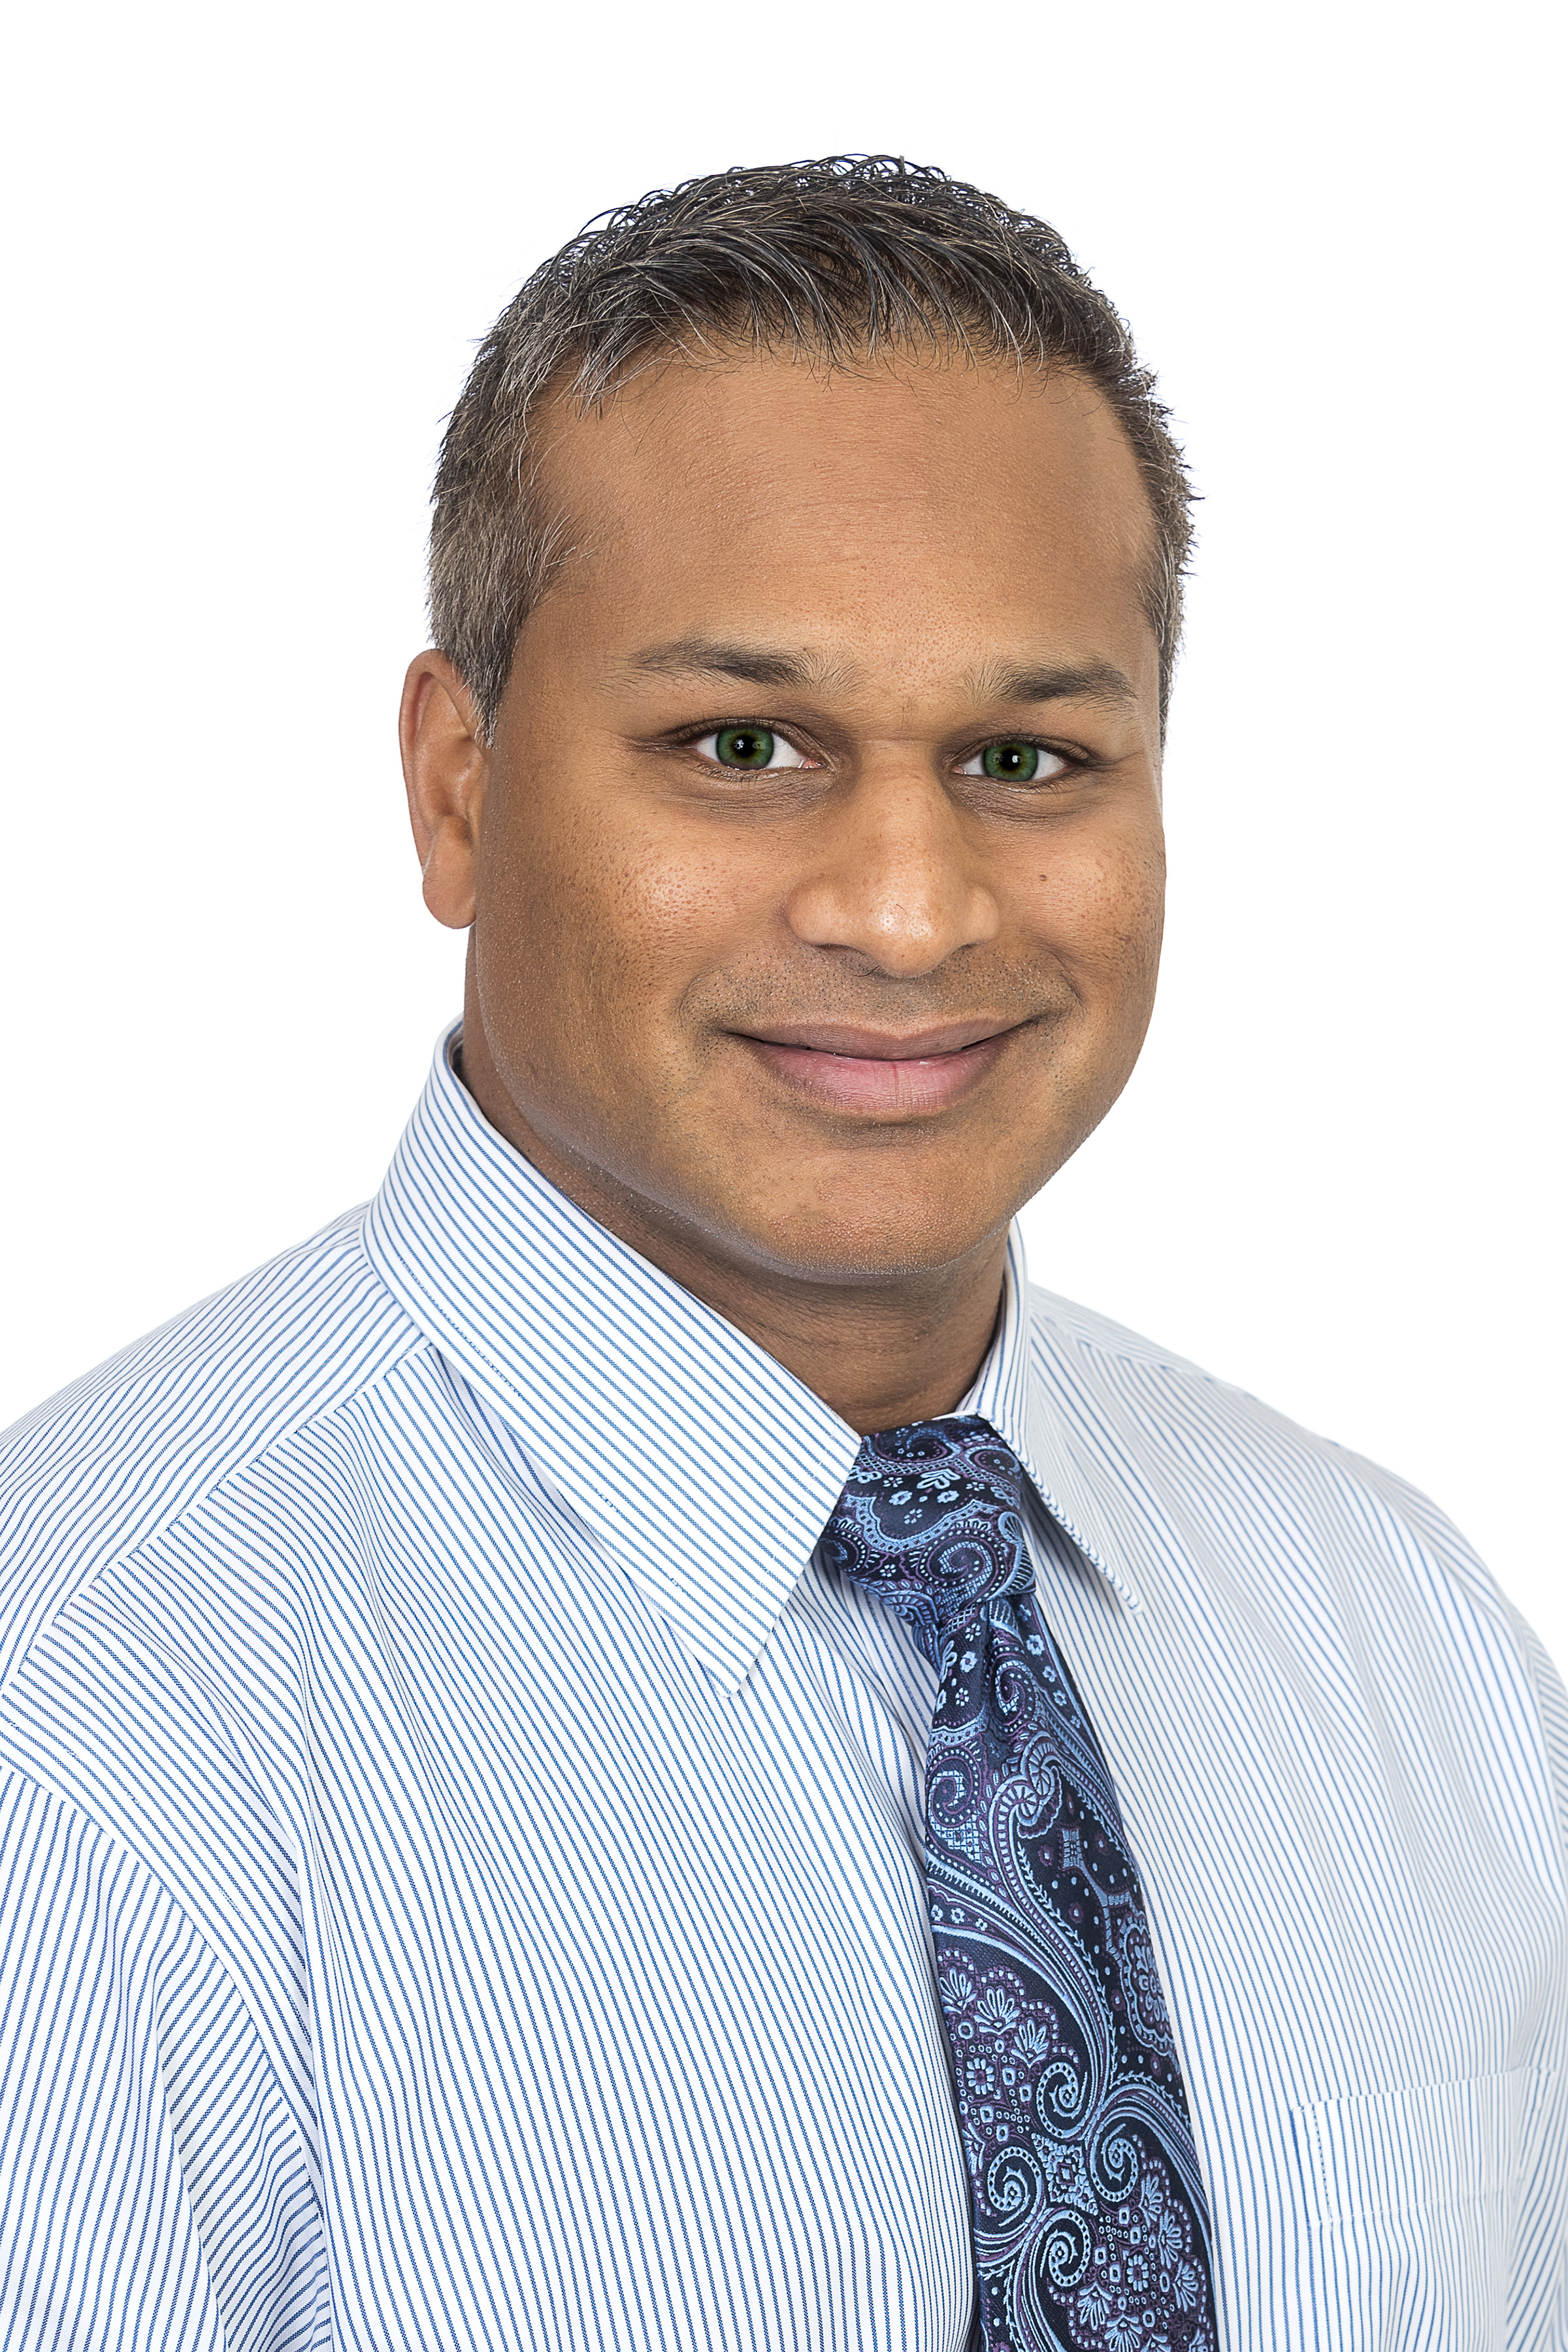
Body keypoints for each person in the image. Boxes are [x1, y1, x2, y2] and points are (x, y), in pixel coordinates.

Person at [0, 154, 1562, 2352]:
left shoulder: (1406, 1640)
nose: (911, 911)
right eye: (743, 747)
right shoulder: (77, 1726)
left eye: (1030, 757)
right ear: (459, 790)